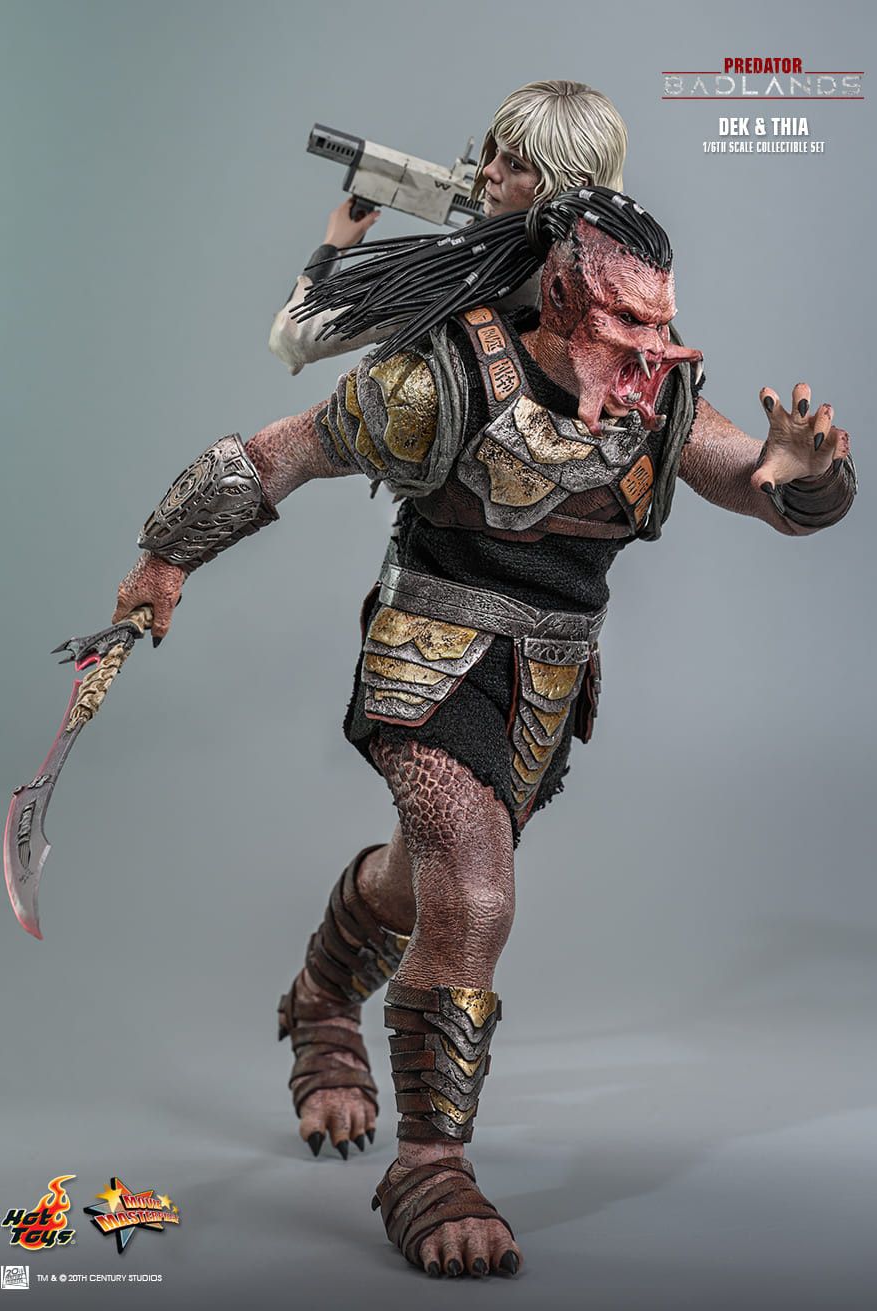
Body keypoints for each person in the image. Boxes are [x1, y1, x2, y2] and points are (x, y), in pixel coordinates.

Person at [113, 187, 855, 1280]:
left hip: (545, 686)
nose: (654, 349)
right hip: (430, 660)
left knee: (426, 885)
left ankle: (321, 1000)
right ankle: (431, 1166)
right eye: (629, 322)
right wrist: (166, 554)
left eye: (663, 320)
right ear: (560, 295)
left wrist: (811, 472)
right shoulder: (440, 385)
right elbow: (284, 451)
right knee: (476, 891)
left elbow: (767, 489)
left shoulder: (660, 400)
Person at [267, 80, 628, 374]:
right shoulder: (615, 284)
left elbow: (293, 335)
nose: (489, 170)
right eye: (495, 153)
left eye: (515, 165)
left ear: (571, 185)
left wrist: (331, 248)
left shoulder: (473, 273)